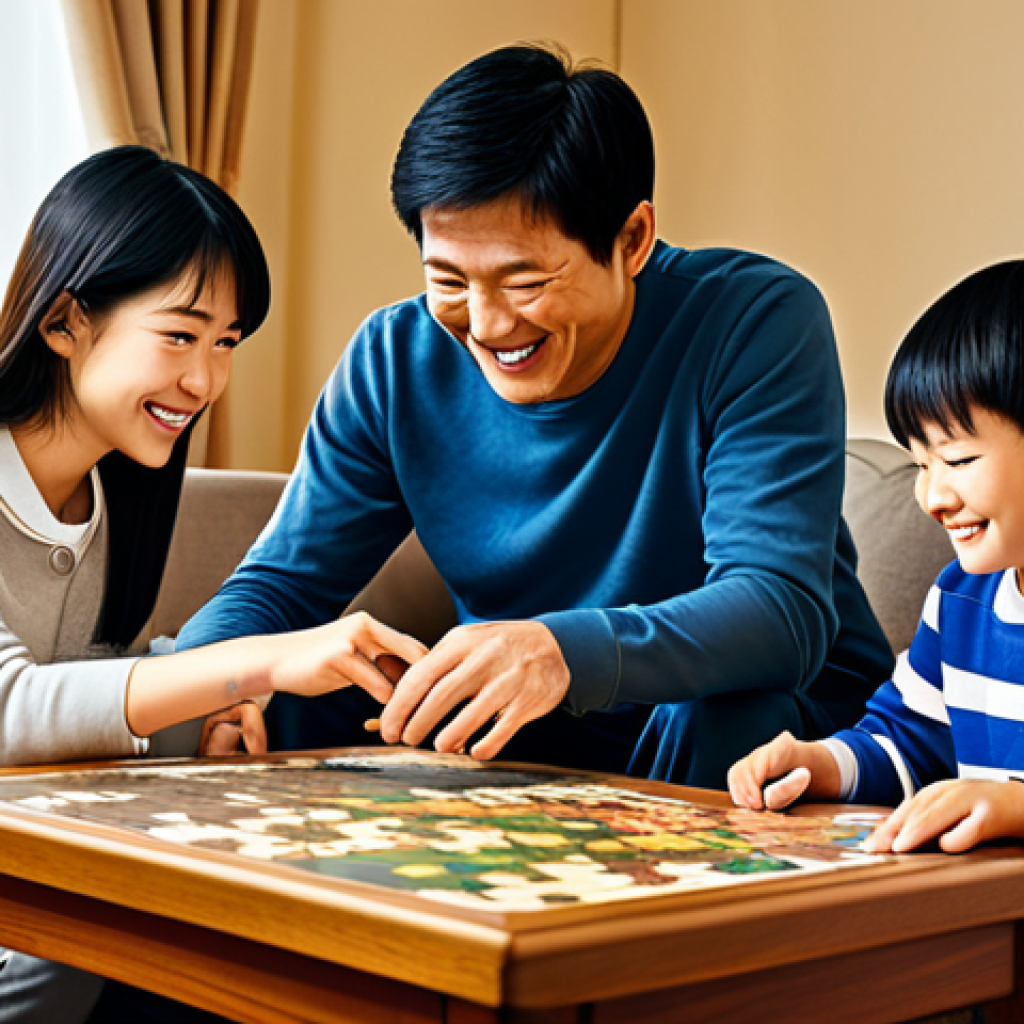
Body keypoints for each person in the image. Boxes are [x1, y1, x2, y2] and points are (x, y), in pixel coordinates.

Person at [177, 43, 893, 786]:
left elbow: (779, 611)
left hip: (766, 728)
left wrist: (560, 652)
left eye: (524, 281)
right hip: (525, 730)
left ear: (632, 240)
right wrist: (215, 686)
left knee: (724, 718)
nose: (487, 325)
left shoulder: (754, 320)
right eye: (448, 280)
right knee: (282, 699)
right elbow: (278, 588)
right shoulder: (395, 359)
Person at [0, 145, 426, 1023]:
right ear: (65, 321)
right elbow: (14, 712)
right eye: (180, 335)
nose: (206, 380)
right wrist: (256, 663)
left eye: (225, 342)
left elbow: (89, 706)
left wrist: (202, 721)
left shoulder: (113, 497)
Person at [729, 260, 1024, 855]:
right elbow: (908, 743)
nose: (933, 497)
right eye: (920, 464)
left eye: (958, 460)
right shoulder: (960, 599)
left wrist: (1014, 805)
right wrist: (819, 764)